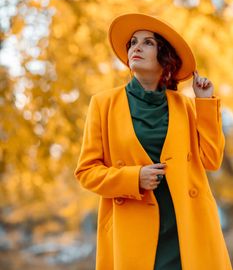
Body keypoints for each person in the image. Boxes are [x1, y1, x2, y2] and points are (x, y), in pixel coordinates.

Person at [75, 13, 232, 270]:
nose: (136, 46)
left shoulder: (184, 106)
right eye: (133, 42)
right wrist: (134, 178)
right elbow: (86, 172)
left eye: (148, 42)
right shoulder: (103, 103)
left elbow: (211, 160)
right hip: (133, 231)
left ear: (165, 57)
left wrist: (204, 101)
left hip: (187, 229)